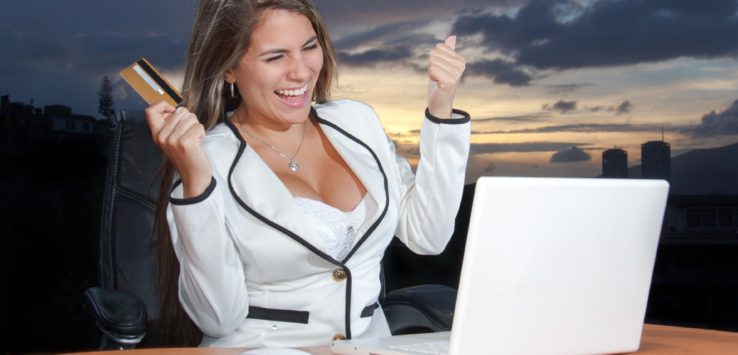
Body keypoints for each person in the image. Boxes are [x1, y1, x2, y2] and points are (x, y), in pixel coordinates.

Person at [145, 0, 470, 348]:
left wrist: (441, 106)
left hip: (371, 344)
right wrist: (195, 184)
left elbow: (428, 235)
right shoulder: (206, 159)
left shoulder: (357, 122)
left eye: (309, 47)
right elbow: (217, 318)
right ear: (229, 69)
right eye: (275, 57)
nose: (300, 72)